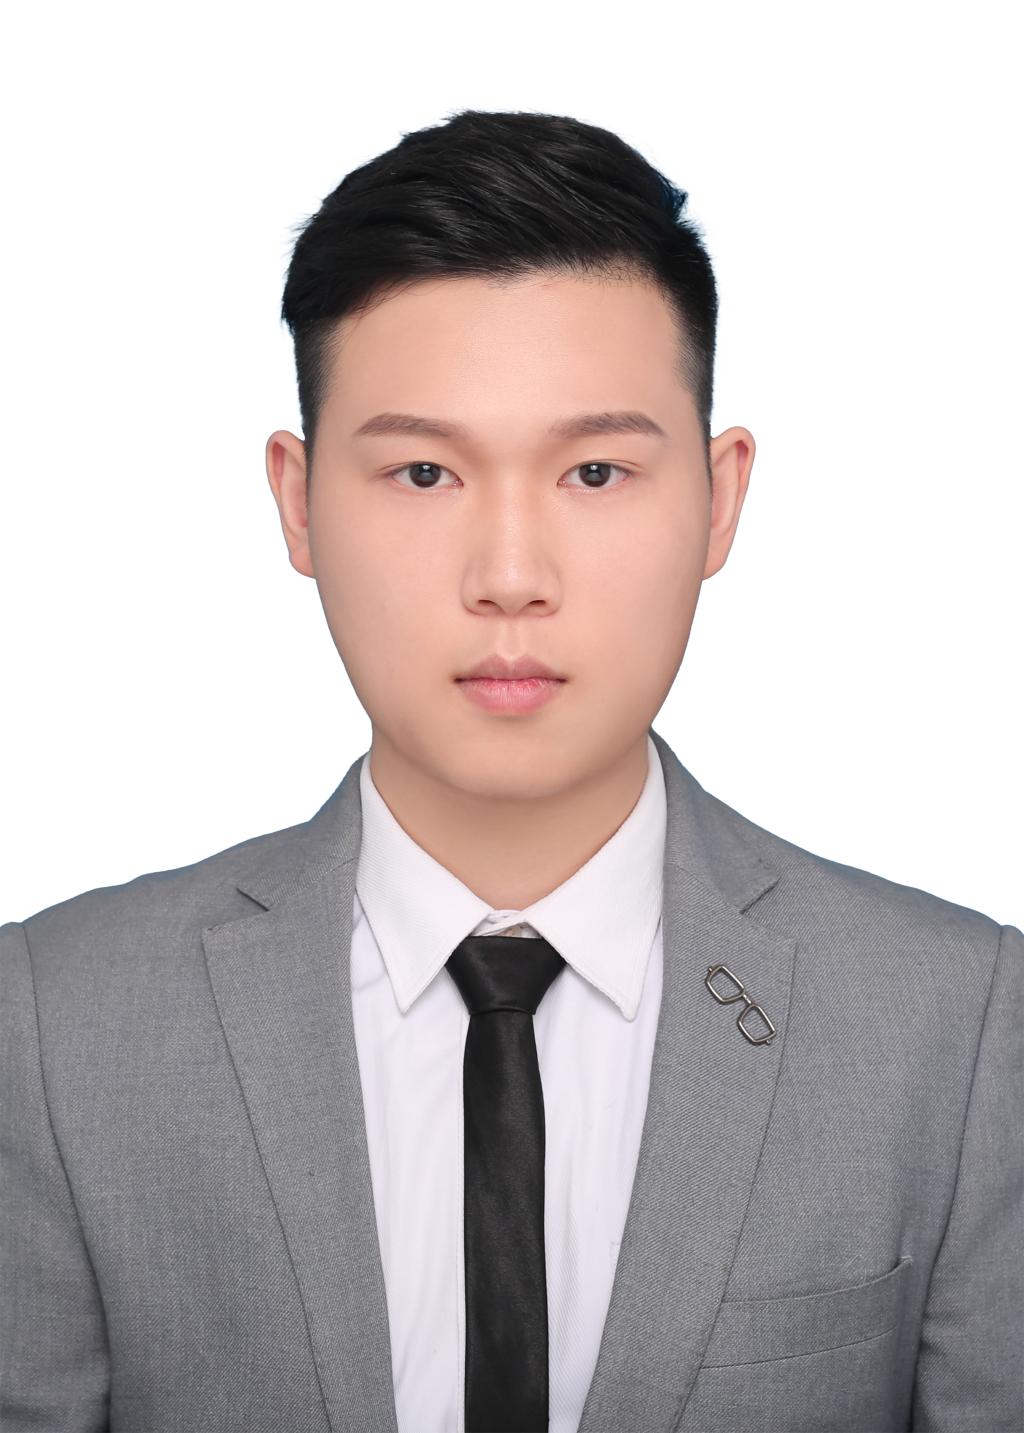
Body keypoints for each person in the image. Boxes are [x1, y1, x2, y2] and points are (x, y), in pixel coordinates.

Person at [2, 108, 1020, 1433]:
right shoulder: (56, 1025)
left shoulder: (959, 1024)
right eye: (424, 471)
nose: (511, 576)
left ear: (720, 498)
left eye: (595, 470)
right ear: (298, 502)